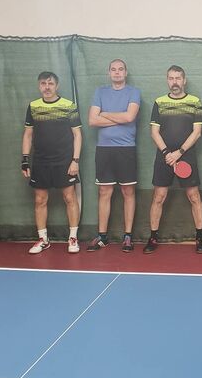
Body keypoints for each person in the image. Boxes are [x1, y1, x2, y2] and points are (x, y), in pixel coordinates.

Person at [145, 65, 202, 253]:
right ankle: (153, 237)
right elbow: (154, 132)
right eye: (171, 78)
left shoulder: (195, 102)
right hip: (164, 156)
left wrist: (179, 153)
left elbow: (197, 132)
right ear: (167, 80)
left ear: (184, 80)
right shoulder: (159, 102)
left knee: (194, 196)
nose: (175, 82)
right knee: (159, 197)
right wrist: (166, 153)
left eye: (178, 78)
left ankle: (200, 237)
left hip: (186, 155)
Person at [21, 71, 82, 254]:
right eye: (43, 83)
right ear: (39, 85)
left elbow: (77, 135)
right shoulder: (33, 106)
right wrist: (25, 160)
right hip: (40, 161)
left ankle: (73, 238)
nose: (47, 87)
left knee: (69, 198)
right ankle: (43, 239)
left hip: (64, 161)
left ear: (57, 86)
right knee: (40, 200)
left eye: (50, 83)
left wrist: (75, 160)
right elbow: (28, 134)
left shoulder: (69, 106)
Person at [87, 59, 141, 252]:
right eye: (113, 69)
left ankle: (128, 236)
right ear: (109, 73)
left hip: (126, 149)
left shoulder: (134, 92)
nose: (117, 72)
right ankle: (102, 237)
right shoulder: (100, 92)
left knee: (128, 192)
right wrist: (119, 117)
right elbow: (92, 120)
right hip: (104, 149)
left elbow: (129, 117)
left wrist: (105, 114)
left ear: (125, 72)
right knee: (104, 192)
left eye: (120, 69)